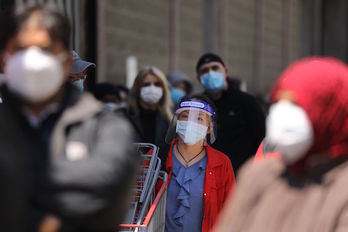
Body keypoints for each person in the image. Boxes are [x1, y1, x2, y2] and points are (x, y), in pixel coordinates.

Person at [0, 4, 139, 232]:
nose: (32, 61)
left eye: (44, 49)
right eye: (21, 49)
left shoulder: (105, 127)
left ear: (65, 62)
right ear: (5, 59)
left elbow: (107, 187)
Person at [214, 57, 348, 232]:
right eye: (279, 102)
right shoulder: (258, 176)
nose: (282, 114)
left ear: (332, 112)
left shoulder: (341, 192)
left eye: (296, 105)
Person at [164, 95, 235, 232]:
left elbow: (232, 211)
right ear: (177, 122)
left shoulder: (221, 163)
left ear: (209, 128)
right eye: (185, 116)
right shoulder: (158, 156)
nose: (191, 122)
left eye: (199, 118)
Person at [196, 53, 265, 174]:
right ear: (199, 78)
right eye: (205, 70)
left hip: (242, 176)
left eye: (215, 68)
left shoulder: (246, 102)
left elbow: (262, 138)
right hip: (209, 177)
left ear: (225, 71)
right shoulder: (198, 106)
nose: (210, 73)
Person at [127, 66, 173, 163]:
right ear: (137, 88)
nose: (152, 88)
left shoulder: (170, 121)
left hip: (159, 174)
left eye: (157, 84)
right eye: (146, 84)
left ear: (164, 89)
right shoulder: (124, 117)